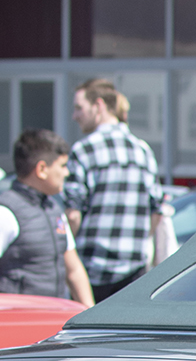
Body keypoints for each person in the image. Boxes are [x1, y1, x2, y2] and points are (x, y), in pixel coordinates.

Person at [63, 78, 170, 300]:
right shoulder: (143, 151)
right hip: (135, 272)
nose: (75, 116)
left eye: (79, 108)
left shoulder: (84, 150)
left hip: (91, 271)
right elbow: (156, 212)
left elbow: (73, 214)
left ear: (98, 106)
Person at [0, 128, 95, 305]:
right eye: (62, 166)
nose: (66, 173)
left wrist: (88, 314)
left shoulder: (54, 210)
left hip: (52, 319)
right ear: (41, 169)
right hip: (14, 323)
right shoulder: (3, 212)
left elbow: (74, 270)